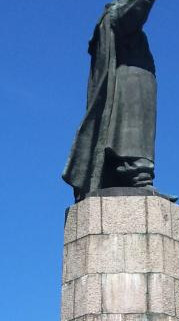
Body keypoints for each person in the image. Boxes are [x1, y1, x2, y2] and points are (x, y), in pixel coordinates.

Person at [63, 0, 158, 200]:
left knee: (129, 129)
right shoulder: (115, 16)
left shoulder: (116, 21)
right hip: (129, 89)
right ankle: (136, 173)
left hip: (132, 87)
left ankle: (134, 173)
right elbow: (131, 11)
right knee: (128, 130)